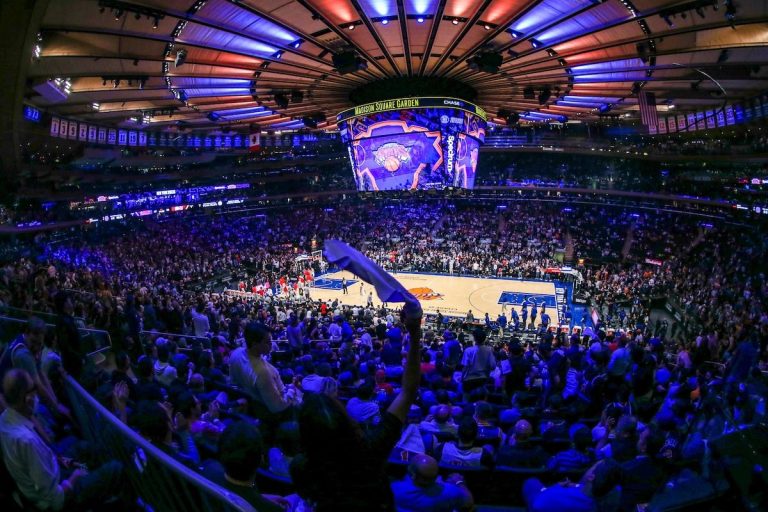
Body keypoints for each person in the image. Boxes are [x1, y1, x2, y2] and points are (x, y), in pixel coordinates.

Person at [296, 309, 422, 511]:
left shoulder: (301, 468)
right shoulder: (369, 449)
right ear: (347, 422)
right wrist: (415, 336)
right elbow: (408, 391)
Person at [0, 369, 124, 511]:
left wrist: (65, 464)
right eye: (34, 387)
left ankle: (96, 482)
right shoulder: (26, 441)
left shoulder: (4, 419)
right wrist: (74, 478)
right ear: (28, 399)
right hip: (61, 495)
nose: (37, 393)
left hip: (54, 470)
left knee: (85, 448)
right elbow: (55, 500)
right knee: (116, 468)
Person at [202, 421, 286, 512]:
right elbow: (244, 493)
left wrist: (260, 498)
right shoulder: (272, 510)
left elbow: (241, 492)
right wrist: (261, 501)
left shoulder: (208, 468)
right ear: (261, 460)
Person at [228, 322, 297, 420]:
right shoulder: (263, 372)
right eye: (267, 342)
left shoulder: (236, 353)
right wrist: (292, 389)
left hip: (254, 402)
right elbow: (277, 407)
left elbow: (233, 382)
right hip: (271, 413)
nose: (271, 344)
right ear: (255, 344)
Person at [523, 459, 622, 512]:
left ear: (591, 477)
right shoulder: (614, 495)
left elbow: (537, 504)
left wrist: (555, 487)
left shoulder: (554, 496)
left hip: (541, 498)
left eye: (593, 466)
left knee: (531, 482)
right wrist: (576, 486)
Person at [391, 454, 474, 512]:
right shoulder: (450, 491)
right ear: (436, 476)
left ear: (413, 475)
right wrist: (459, 482)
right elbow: (468, 504)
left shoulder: (394, 489)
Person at [460, 329, 496, 398]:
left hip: (469, 380)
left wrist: (462, 378)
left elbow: (465, 366)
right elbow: (493, 366)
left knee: (467, 400)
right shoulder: (489, 350)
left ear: (474, 338)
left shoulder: (468, 350)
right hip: (483, 380)